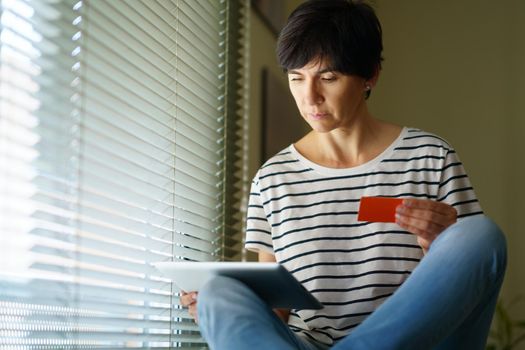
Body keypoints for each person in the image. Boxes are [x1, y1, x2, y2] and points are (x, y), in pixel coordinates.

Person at [180, 0, 507, 349]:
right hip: (309, 344)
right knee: (218, 290)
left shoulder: (430, 156)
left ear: (370, 75)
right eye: (296, 78)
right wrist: (216, 314)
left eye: (329, 78)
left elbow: (461, 289)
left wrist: (434, 244)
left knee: (480, 235)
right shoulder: (272, 179)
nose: (310, 98)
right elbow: (277, 313)